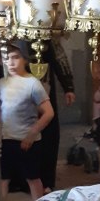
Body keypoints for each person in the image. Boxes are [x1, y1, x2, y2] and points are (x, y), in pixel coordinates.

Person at [0, 43, 54, 201]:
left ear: (24, 59)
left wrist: (31, 134)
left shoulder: (32, 83)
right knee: (3, 178)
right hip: (7, 138)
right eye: (6, 58)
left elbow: (48, 113)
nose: (11, 62)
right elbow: (1, 109)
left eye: (15, 57)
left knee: (33, 178)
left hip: (27, 141)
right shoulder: (2, 83)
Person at [34, 39, 76, 192]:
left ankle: (46, 180)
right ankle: (23, 178)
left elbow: (58, 56)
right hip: (18, 88)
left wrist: (68, 86)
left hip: (43, 88)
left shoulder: (48, 37)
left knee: (48, 134)